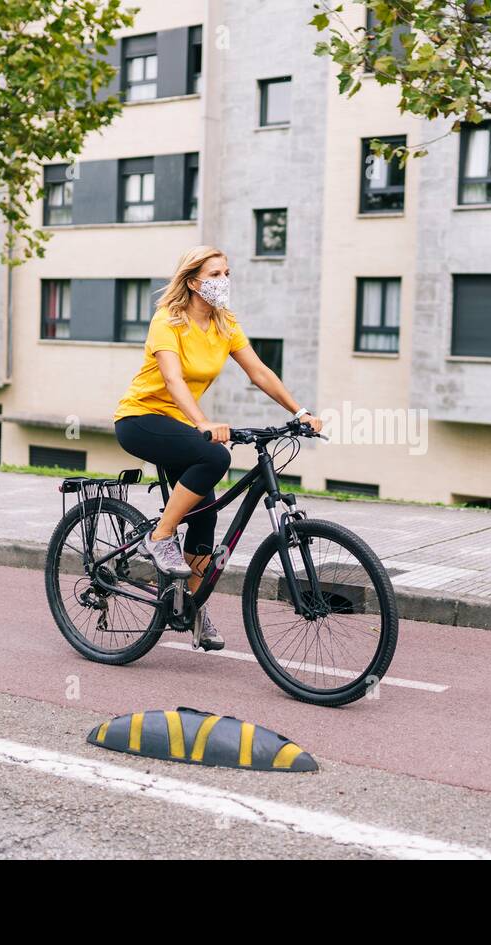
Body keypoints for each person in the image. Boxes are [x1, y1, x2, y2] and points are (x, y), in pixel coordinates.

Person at [114, 245, 322, 650]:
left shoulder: (226, 326)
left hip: (178, 425)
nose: (223, 281)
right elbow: (173, 380)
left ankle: (189, 606)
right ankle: (160, 536)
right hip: (140, 420)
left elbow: (258, 371)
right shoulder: (167, 322)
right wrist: (203, 423)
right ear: (192, 282)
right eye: (214, 275)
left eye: (227, 273)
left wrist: (300, 411)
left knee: (206, 515)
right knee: (215, 456)